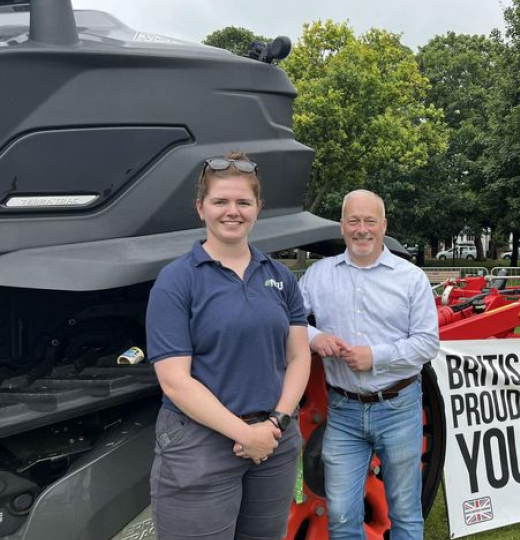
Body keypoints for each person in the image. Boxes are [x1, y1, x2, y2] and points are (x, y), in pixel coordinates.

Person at [145, 152, 310, 540]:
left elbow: (299, 355)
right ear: (201, 208)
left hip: (274, 440)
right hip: (201, 442)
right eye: (220, 201)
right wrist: (243, 433)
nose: (231, 211)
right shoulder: (176, 281)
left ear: (258, 208)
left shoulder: (280, 276)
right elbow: (174, 381)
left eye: (243, 202)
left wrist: (276, 423)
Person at [299, 189, 439, 540]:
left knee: (405, 512)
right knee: (342, 517)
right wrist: (315, 337)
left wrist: (375, 357)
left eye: (370, 221)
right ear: (342, 226)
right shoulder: (319, 275)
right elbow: (290, 319)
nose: (362, 229)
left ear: (384, 225)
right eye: (354, 221)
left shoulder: (410, 278)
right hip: (343, 411)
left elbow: (427, 343)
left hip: (399, 407)